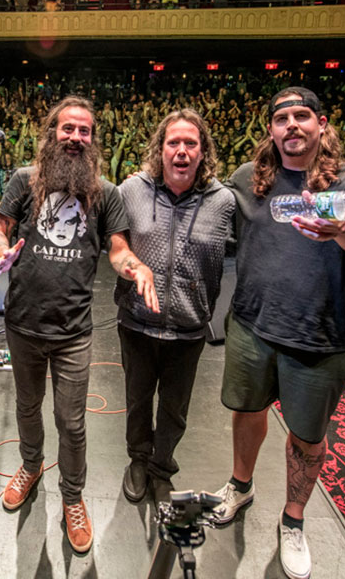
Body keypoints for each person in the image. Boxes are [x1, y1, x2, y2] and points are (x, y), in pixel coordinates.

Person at [217, 87, 345, 579]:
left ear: (321, 123)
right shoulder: (249, 179)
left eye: (302, 116)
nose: (291, 125)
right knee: (247, 412)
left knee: (307, 439)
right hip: (251, 325)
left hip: (319, 335)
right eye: (281, 118)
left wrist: (344, 229)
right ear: (270, 129)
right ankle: (240, 485)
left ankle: (292, 520)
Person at [0, 96, 159, 554]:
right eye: (68, 129)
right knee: (27, 408)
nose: (75, 138)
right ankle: (29, 464)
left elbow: (119, 250)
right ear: (52, 133)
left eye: (84, 131)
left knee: (73, 423)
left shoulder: (105, 193)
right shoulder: (24, 181)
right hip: (22, 322)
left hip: (73, 331)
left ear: (92, 139)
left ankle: (72, 496)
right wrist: (1, 248)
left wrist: (134, 267)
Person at [115, 110, 234, 504]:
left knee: (174, 408)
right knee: (137, 400)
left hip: (188, 327)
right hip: (137, 322)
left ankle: (161, 466)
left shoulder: (224, 202)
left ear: (203, 152)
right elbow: (114, 242)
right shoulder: (132, 190)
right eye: (173, 143)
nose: (181, 151)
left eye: (191, 144)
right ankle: (137, 459)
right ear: (160, 149)